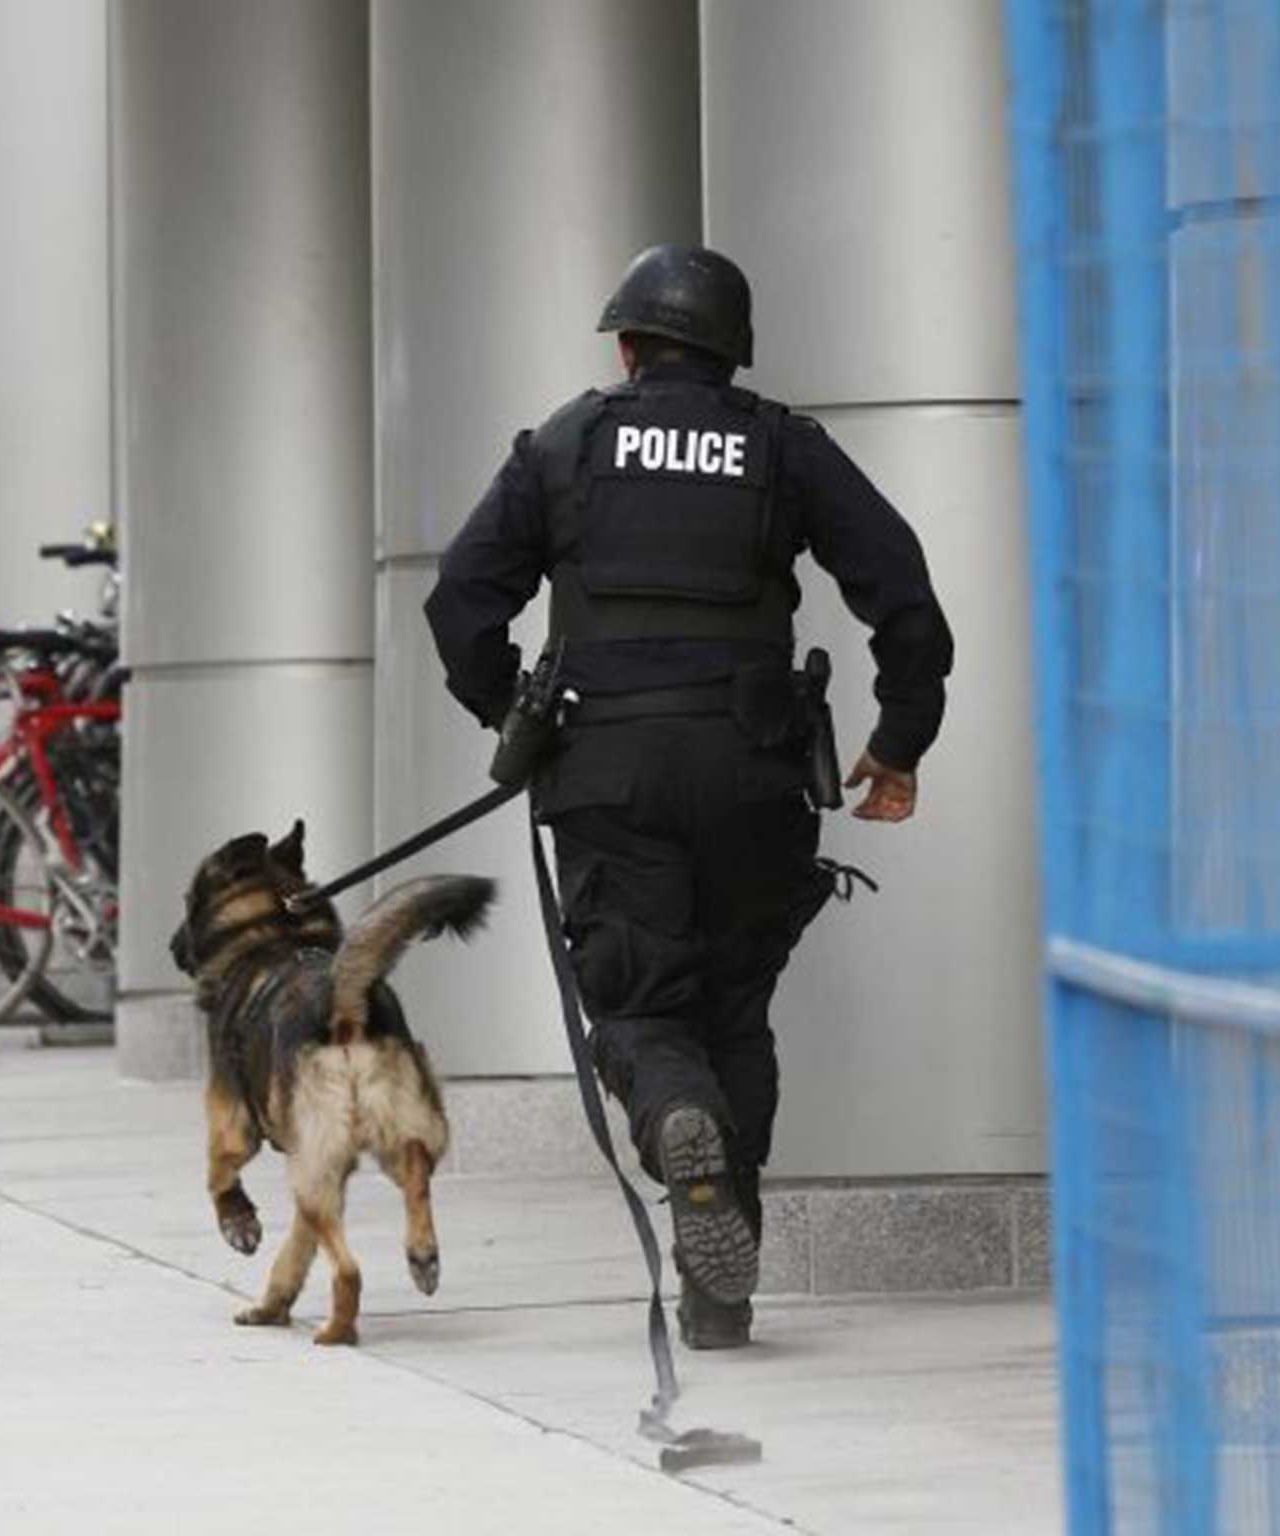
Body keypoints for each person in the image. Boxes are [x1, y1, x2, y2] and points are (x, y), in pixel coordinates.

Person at [424, 245, 954, 1348]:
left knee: (641, 1006)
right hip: (754, 771)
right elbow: (899, 590)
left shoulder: (565, 443)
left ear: (625, 345)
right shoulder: (781, 446)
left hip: (606, 769)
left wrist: (511, 717)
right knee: (732, 1011)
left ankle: (673, 1125)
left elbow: (459, 601)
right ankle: (720, 1293)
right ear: (730, 351)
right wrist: (897, 740)